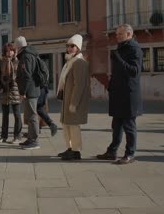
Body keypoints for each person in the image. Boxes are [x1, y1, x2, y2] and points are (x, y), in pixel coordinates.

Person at [97, 24, 143, 164]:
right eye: (116, 34)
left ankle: (130, 154)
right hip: (118, 93)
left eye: (120, 35)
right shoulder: (121, 48)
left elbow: (134, 71)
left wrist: (119, 60)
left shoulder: (134, 49)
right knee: (116, 125)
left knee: (129, 126)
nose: (117, 37)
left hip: (128, 94)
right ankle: (112, 151)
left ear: (129, 34)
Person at [56, 34, 91, 160]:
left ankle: (76, 151)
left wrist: (74, 103)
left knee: (74, 126)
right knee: (66, 125)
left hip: (74, 100)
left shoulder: (79, 62)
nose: (69, 48)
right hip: (67, 98)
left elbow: (79, 85)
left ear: (78, 48)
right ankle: (70, 148)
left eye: (72, 46)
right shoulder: (69, 61)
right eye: (68, 46)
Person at [14, 36, 41, 150]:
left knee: (32, 116)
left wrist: (23, 91)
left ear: (18, 47)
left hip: (30, 91)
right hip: (32, 90)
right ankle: (30, 138)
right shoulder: (29, 54)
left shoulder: (26, 56)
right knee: (30, 115)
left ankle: (34, 140)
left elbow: (26, 76)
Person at [0, 43, 22, 144]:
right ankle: (3, 136)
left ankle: (17, 137)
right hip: (4, 91)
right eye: (7, 50)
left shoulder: (18, 61)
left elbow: (21, 76)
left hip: (15, 90)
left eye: (11, 50)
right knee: (5, 115)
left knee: (17, 115)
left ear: (14, 51)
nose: (9, 52)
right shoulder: (1, 61)